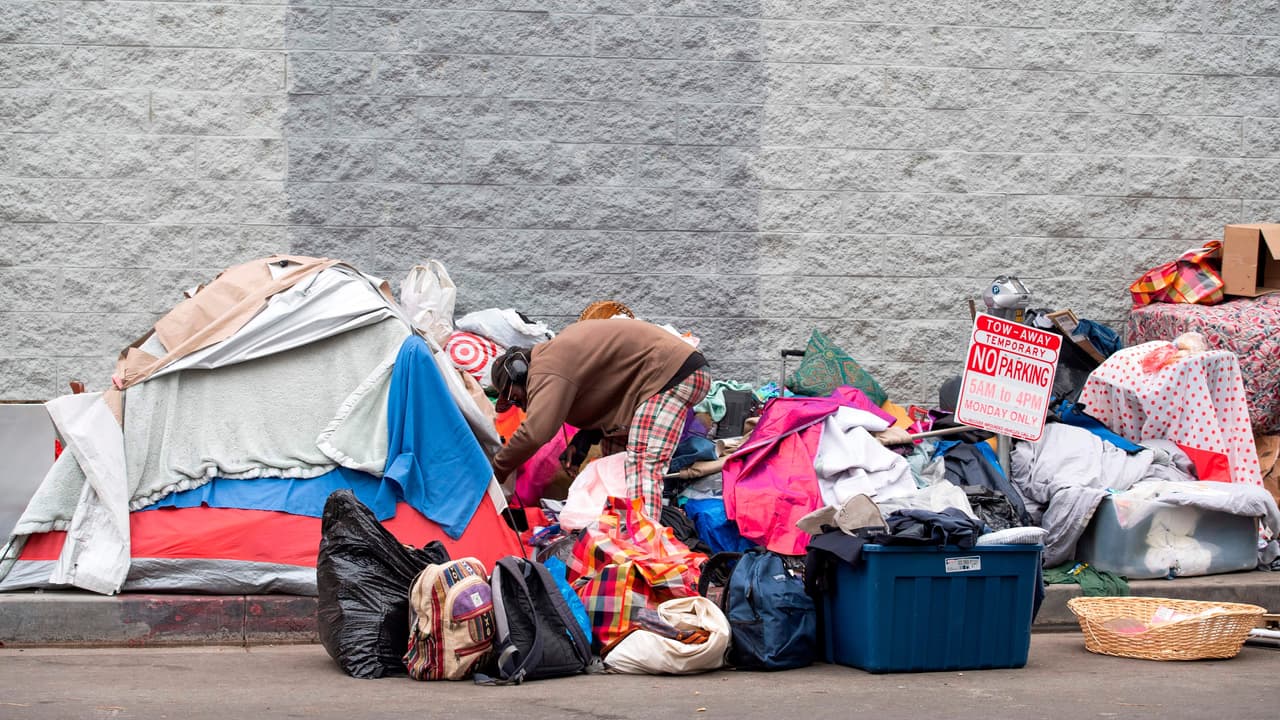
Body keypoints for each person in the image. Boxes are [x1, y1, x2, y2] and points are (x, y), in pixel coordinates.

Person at [490, 318, 710, 520]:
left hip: (670, 375)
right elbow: (605, 387)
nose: (519, 404)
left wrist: (496, 470)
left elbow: (536, 432)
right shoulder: (555, 361)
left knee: (643, 465)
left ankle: (644, 548)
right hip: (654, 381)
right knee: (614, 469)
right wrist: (584, 440)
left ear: (519, 371)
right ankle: (620, 529)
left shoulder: (546, 366)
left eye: (514, 397)